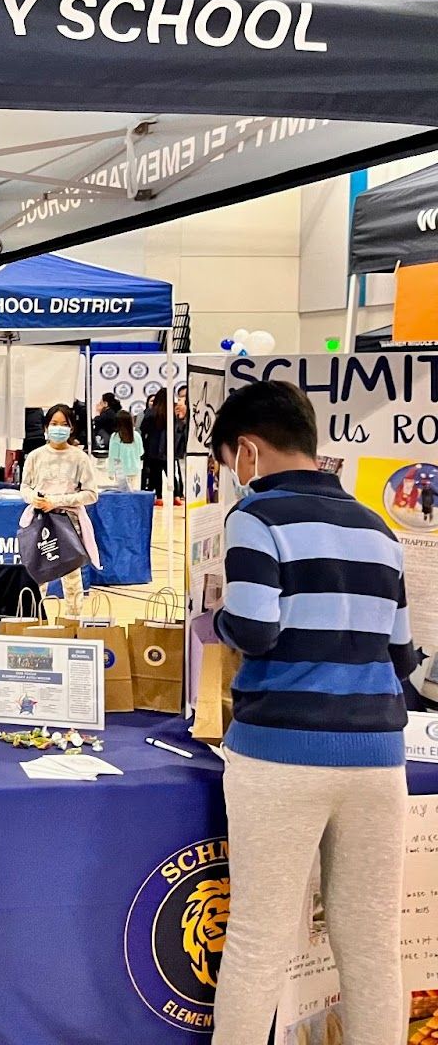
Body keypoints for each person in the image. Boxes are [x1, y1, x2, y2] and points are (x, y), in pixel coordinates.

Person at [207, 380, 413, 1045]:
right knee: (373, 945)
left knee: (258, 940)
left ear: (246, 450)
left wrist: (213, 620)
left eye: (227, 463)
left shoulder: (255, 517)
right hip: (378, 757)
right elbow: (403, 654)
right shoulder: (379, 527)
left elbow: (254, 627)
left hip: (280, 752)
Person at [20, 404, 100, 616]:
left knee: (72, 578)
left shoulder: (80, 458)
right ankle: (33, 619)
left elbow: (91, 494)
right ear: (46, 427)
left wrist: (57, 501)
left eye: (64, 424)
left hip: (69, 522)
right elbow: (25, 487)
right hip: (40, 522)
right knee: (37, 574)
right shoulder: (35, 456)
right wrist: (34, 498)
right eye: (54, 424)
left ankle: (72, 622)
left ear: (71, 428)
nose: (59, 428)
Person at [105, 409, 143, 492]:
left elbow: (113, 456)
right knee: (134, 493)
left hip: (121, 472)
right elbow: (140, 452)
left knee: (122, 495)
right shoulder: (137, 436)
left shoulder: (115, 436)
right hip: (135, 470)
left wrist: (111, 472)